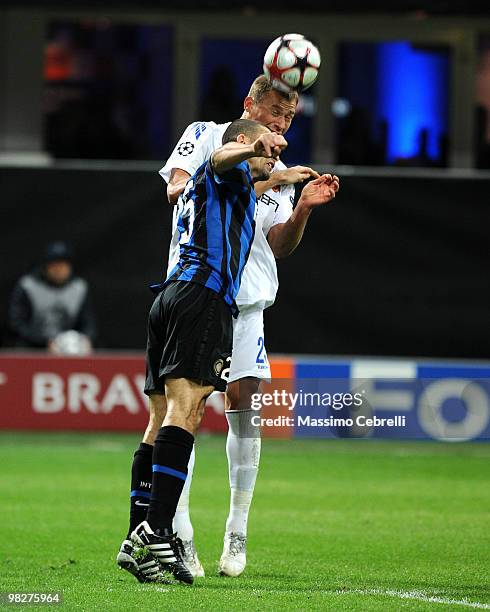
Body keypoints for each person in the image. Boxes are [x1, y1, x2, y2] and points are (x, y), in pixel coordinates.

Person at [161, 75, 339, 578]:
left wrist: (301, 205)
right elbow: (179, 188)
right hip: (199, 294)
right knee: (185, 411)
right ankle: (179, 531)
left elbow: (278, 245)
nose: (281, 124)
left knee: (245, 409)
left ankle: (236, 531)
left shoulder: (278, 170)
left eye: (288, 117)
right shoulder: (205, 135)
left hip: (247, 307)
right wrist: (271, 176)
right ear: (250, 105)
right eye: (275, 112)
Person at [116, 119, 288, 584]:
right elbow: (221, 158)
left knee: (158, 419)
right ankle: (157, 531)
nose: (268, 160)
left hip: (169, 294)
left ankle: (136, 536)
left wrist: (281, 173)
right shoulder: (221, 165)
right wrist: (250, 146)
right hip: (203, 296)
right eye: (260, 152)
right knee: (187, 412)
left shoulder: (205, 182)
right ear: (240, 143)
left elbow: (244, 174)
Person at [7, 241, 96, 351]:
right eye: (55, 265)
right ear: (46, 266)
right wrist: (44, 341)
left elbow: (87, 321)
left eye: (63, 265)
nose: (59, 270)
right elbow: (16, 324)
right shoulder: (28, 286)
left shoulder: (79, 288)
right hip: (32, 348)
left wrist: (86, 338)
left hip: (68, 347)